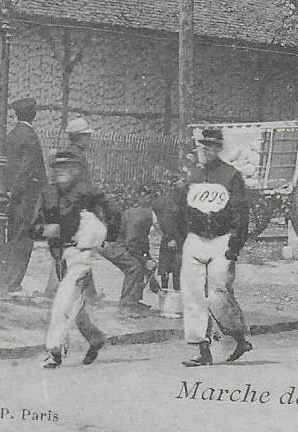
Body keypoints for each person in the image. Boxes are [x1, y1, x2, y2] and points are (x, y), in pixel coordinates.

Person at [174, 127, 252, 367]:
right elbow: (178, 209)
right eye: (201, 145)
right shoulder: (192, 176)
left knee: (219, 293)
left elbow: (241, 213)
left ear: (219, 148)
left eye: (210, 145)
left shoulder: (231, 176)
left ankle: (238, 336)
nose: (204, 150)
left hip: (221, 239)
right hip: (195, 239)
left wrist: (234, 247)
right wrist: (180, 239)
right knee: (192, 295)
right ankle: (200, 349)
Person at [32, 150, 115, 369]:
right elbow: (32, 227)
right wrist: (45, 230)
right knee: (72, 304)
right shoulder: (47, 194)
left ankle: (54, 352)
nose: (61, 172)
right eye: (57, 168)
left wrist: (107, 234)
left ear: (76, 170)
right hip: (59, 257)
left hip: (80, 255)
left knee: (62, 304)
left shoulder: (88, 192)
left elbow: (112, 211)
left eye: (66, 168)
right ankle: (95, 337)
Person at [3, 97, 46, 294]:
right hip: (26, 196)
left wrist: (9, 190)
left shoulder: (11, 135)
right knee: (23, 238)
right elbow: (27, 168)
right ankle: (13, 283)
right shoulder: (30, 137)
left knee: (12, 236)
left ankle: (8, 278)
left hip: (13, 195)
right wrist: (18, 191)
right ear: (32, 114)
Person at [99, 205, 155, 314]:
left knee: (140, 264)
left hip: (119, 242)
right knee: (134, 267)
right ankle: (125, 305)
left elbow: (142, 244)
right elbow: (131, 243)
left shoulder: (146, 217)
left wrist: (148, 260)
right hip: (111, 244)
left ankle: (133, 301)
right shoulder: (140, 218)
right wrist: (145, 261)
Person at [152, 170, 184, 316]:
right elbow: (166, 219)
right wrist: (170, 237)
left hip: (177, 237)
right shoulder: (170, 199)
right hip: (172, 238)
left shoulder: (177, 197)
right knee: (171, 269)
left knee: (174, 269)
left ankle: (174, 302)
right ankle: (168, 302)